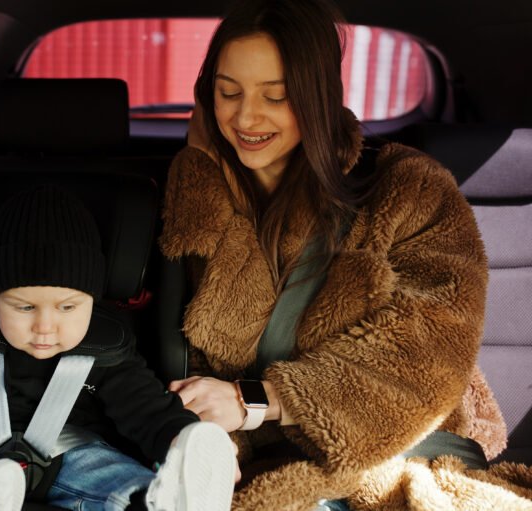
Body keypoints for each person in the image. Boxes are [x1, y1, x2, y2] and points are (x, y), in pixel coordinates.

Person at [158, 0, 532, 509]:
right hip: (253, 464)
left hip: (398, 454)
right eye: (228, 92)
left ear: (319, 98)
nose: (246, 116)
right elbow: (190, 354)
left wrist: (257, 402)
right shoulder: (200, 202)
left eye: (278, 96)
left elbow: (428, 353)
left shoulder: (410, 190)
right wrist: (200, 174)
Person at [0, 185, 239, 511]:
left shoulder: (106, 349)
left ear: (93, 300)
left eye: (68, 307)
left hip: (71, 454)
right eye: (23, 307)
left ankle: (161, 500)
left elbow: (147, 409)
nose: (45, 326)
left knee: (116, 472)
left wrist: (182, 440)